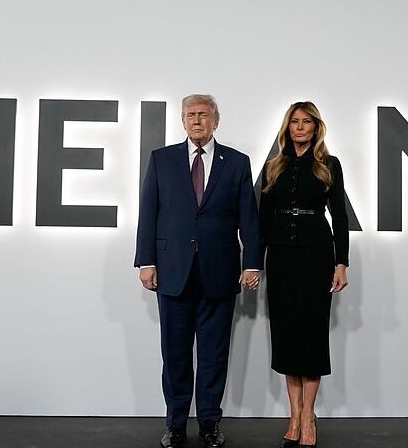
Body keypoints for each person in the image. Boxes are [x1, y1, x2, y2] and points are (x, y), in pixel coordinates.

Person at [135, 94, 262, 448]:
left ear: (215, 121)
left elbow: (248, 217)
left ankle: (209, 423)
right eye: (190, 115)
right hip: (172, 272)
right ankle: (175, 425)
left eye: (203, 114)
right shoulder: (161, 159)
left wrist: (252, 262)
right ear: (182, 120)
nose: (196, 120)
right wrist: (146, 261)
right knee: (175, 355)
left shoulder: (237, 162)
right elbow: (148, 212)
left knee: (213, 355)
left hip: (219, 272)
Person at [259, 101, 349, 448]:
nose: (299, 127)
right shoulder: (274, 166)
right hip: (281, 255)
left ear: (316, 127)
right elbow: (263, 217)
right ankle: (293, 415)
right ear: (288, 127)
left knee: (311, 335)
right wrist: (254, 261)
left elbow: (340, 216)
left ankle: (308, 416)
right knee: (286, 335)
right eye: (294, 121)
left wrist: (341, 263)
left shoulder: (329, 164)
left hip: (316, 255)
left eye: (306, 122)